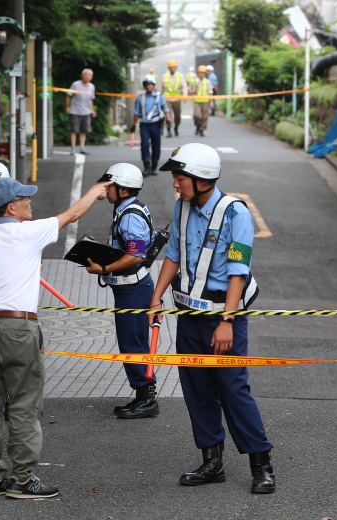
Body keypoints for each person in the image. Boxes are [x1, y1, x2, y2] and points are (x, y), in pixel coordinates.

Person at [0, 177, 111, 498]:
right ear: (11, 207)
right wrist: (95, 191)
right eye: (24, 198)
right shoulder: (29, 232)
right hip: (19, 328)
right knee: (24, 403)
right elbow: (73, 215)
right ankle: (22, 479)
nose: (30, 203)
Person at [149, 143, 276, 494]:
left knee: (233, 388)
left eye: (180, 178)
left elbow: (238, 272)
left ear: (201, 178)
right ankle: (212, 462)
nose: (175, 184)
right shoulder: (181, 208)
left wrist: (227, 322)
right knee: (197, 389)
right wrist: (156, 296)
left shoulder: (236, 215)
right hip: (188, 315)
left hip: (223, 317)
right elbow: (173, 254)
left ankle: (261, 464)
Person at [85, 163, 159, 419]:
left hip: (134, 290)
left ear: (124, 189)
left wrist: (104, 267)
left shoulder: (128, 215)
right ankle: (143, 395)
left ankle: (146, 399)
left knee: (133, 342)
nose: (106, 189)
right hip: (132, 289)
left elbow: (136, 255)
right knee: (133, 341)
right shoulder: (126, 208)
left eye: (110, 185)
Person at [130, 75, 171, 177]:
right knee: (144, 145)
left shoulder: (159, 96)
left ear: (153, 85)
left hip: (156, 124)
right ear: (144, 86)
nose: (148, 87)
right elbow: (137, 112)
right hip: (144, 125)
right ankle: (146, 167)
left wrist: (168, 120)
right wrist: (134, 125)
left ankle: (154, 166)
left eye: (150, 85)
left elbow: (165, 109)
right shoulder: (140, 98)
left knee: (156, 146)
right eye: (146, 85)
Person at [65, 69, 96, 155]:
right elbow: (68, 95)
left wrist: (92, 110)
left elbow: (91, 99)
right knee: (73, 130)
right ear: (82, 75)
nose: (87, 76)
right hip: (75, 110)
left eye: (89, 75)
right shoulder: (75, 84)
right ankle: (73, 148)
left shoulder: (91, 87)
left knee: (84, 130)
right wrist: (67, 106)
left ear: (92, 77)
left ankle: (82, 147)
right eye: (86, 74)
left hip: (86, 111)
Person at [162, 60, 187, 138]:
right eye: (171, 67)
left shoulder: (180, 76)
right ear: (168, 68)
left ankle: (176, 127)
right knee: (167, 114)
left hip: (177, 99)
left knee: (177, 115)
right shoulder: (164, 76)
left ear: (175, 68)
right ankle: (169, 130)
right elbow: (160, 89)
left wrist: (185, 96)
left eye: (173, 67)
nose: (172, 68)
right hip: (167, 99)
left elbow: (184, 87)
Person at [190, 66, 213, 137]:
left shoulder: (207, 82)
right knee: (196, 115)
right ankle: (198, 125)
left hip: (205, 101)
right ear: (198, 73)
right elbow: (189, 89)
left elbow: (210, 92)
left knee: (205, 116)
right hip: (197, 101)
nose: (201, 74)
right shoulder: (194, 81)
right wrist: (192, 91)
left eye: (203, 73)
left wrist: (211, 102)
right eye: (200, 72)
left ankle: (202, 129)